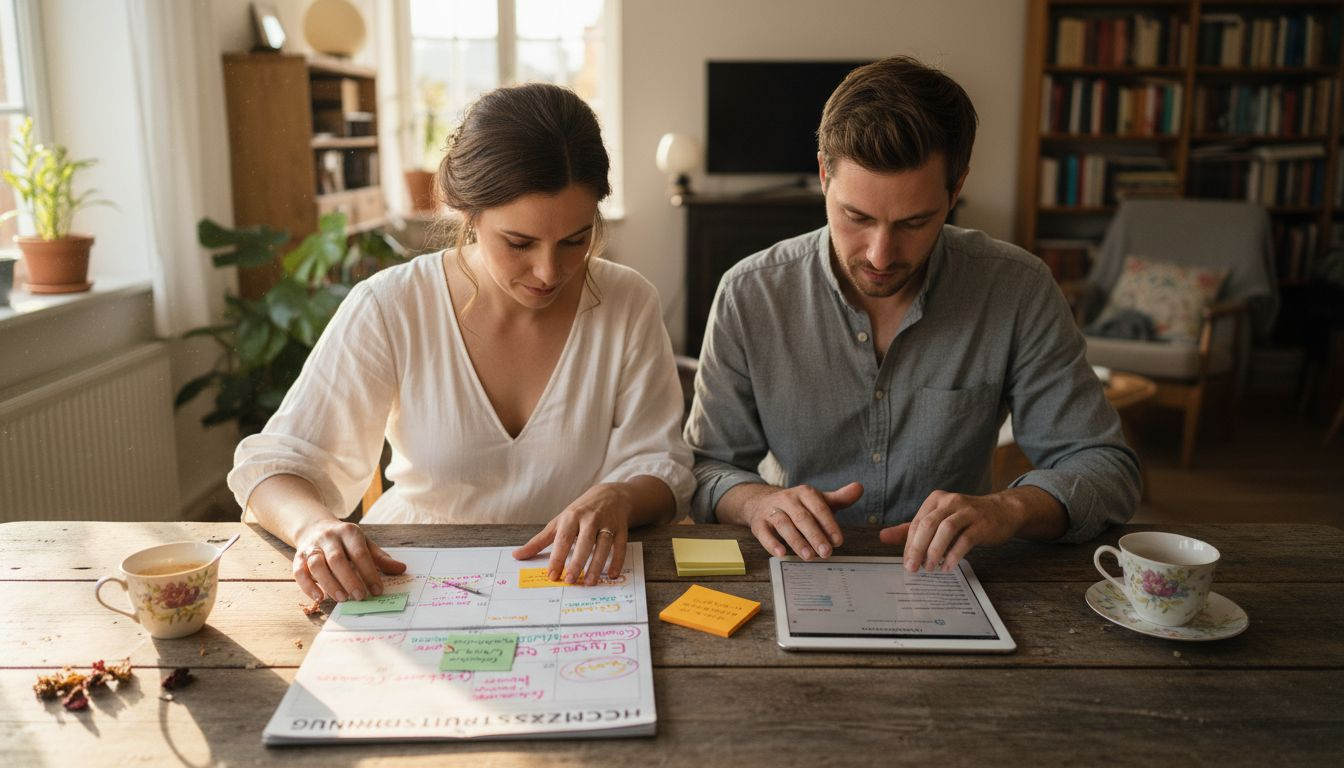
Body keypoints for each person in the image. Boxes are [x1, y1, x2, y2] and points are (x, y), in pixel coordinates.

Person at [229, 83, 693, 604]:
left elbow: (663, 464)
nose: (549, 271)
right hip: (416, 574)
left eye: (575, 241)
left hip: (572, 577)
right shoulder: (392, 304)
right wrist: (314, 529)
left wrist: (620, 496)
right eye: (519, 243)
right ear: (466, 215)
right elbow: (273, 467)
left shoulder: (628, 302)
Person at [686, 56, 1140, 573]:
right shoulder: (750, 294)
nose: (881, 255)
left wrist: (1009, 508)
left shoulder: (1016, 289)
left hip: (956, 577)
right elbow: (705, 467)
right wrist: (757, 501)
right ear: (822, 175)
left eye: (915, 222)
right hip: (798, 572)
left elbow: (1106, 468)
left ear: (956, 190)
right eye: (856, 217)